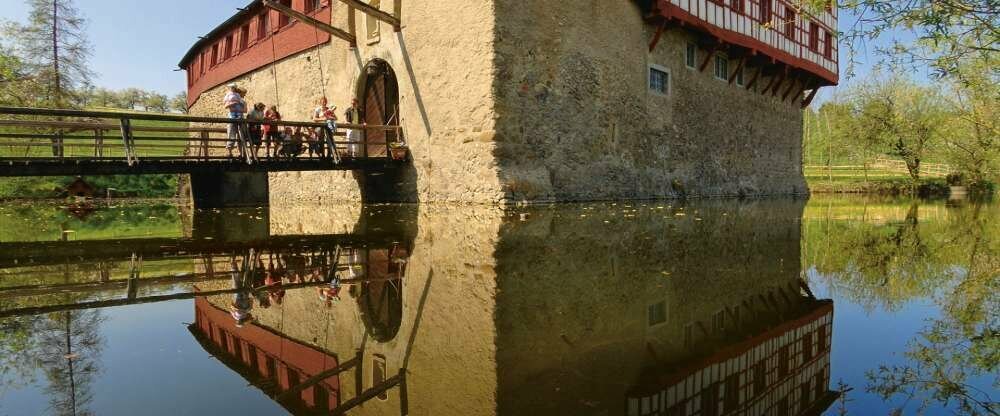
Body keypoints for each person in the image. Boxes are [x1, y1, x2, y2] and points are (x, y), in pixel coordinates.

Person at [222, 84, 247, 158]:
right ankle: (230, 152)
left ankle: (241, 153)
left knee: (241, 136)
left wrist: (238, 109)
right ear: (239, 93)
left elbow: (245, 110)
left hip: (240, 118)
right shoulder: (230, 97)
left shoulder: (243, 102)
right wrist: (233, 104)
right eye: (243, 94)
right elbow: (226, 106)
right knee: (231, 134)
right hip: (232, 117)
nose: (244, 96)